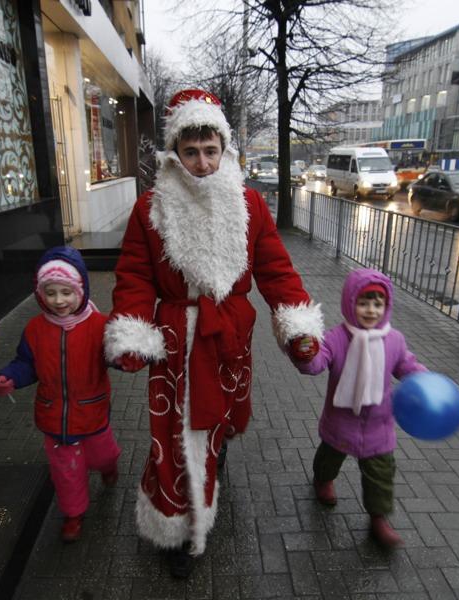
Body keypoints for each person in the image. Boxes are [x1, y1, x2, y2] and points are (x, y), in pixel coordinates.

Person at [104, 88, 323, 578]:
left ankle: (214, 454)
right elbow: (135, 275)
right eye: (190, 152)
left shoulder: (249, 204)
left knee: (219, 416)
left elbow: (276, 269)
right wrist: (133, 331)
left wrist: (295, 325)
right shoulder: (150, 209)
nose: (201, 163)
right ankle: (176, 527)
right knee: (176, 431)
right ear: (174, 153)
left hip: (230, 336)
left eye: (210, 151)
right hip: (175, 340)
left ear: (224, 149)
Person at [0, 246, 120, 543]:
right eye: (50, 293)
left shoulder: (100, 326)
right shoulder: (35, 329)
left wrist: (127, 356)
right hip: (54, 417)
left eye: (66, 292)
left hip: (93, 411)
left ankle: (108, 466)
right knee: (66, 469)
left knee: (102, 454)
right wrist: (10, 377)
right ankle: (73, 514)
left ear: (81, 290)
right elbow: (26, 363)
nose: (59, 300)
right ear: (40, 294)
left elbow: (115, 356)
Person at [290, 267, 426, 549]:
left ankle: (379, 519)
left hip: (379, 426)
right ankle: (322, 480)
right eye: (363, 303)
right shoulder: (336, 338)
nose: (371, 310)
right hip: (341, 421)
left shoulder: (394, 340)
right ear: (350, 303)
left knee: (381, 474)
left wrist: (425, 381)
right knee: (329, 458)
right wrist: (305, 354)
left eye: (378, 304)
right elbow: (316, 363)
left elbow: (407, 366)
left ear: (386, 307)